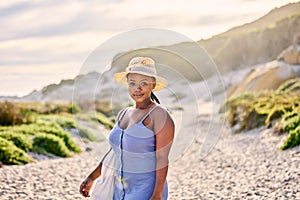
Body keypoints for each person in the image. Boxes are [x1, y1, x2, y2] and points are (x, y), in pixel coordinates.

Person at [79, 57, 175, 200]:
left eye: (144, 83)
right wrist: (91, 177)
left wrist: (157, 194)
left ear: (153, 85)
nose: (138, 88)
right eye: (132, 83)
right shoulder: (123, 114)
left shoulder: (160, 115)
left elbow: (162, 158)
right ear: (127, 85)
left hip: (146, 189)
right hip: (119, 189)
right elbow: (114, 152)